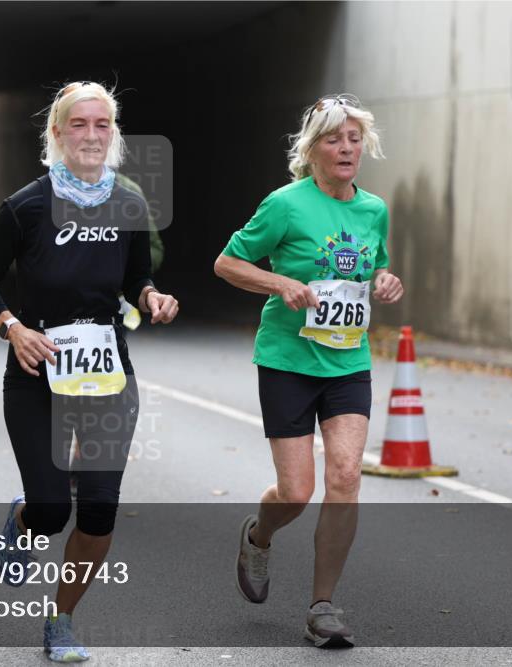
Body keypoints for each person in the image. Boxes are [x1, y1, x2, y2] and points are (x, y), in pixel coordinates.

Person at [0, 81, 178, 663]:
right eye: (78, 124)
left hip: (107, 375)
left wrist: (153, 296)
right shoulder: (27, 206)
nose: (91, 134)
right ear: (56, 134)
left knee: (100, 507)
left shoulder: (130, 205)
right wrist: (14, 327)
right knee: (52, 508)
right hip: (36, 373)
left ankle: (61, 620)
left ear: (114, 134)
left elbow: (136, 278)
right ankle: (24, 514)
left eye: (101, 124)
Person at [214, 94, 403, 648]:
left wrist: (388, 282)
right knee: (297, 491)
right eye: (332, 138)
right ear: (312, 148)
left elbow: (379, 267)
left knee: (345, 476)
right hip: (288, 361)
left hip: (347, 361)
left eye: (353, 139)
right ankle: (259, 533)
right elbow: (227, 262)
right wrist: (280, 283)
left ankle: (323, 607)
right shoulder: (285, 205)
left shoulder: (373, 209)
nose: (345, 148)